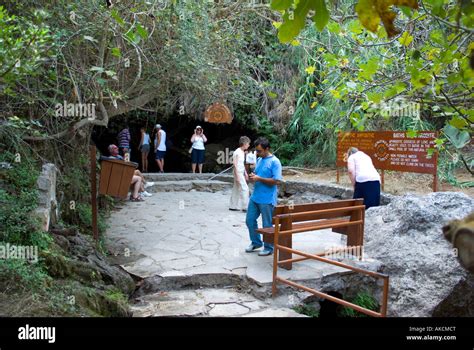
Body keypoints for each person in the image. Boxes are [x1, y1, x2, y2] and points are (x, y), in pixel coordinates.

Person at [245, 137, 282, 256]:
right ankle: (256, 242)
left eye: (260, 151)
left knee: (267, 224)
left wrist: (259, 178)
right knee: (249, 220)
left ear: (267, 149)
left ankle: (269, 247)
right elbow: (258, 174)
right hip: (255, 197)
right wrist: (253, 175)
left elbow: (276, 181)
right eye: (256, 151)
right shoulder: (260, 159)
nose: (258, 153)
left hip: (267, 199)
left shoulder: (275, 162)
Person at [229, 136, 250, 212]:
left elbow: (242, 164)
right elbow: (235, 164)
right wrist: (237, 176)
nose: (249, 145)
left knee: (236, 189)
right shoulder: (237, 152)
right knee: (245, 189)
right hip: (237, 173)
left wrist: (245, 174)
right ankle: (245, 207)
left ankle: (233, 205)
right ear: (244, 143)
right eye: (248, 143)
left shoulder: (242, 152)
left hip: (241, 172)